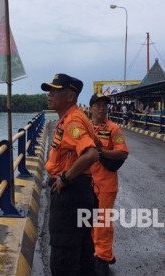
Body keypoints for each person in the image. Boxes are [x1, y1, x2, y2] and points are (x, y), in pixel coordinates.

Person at [42, 73, 99, 276]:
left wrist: (65, 178)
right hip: (81, 192)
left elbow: (91, 153)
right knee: (82, 250)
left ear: (70, 96)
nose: (49, 94)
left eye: (55, 91)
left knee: (63, 254)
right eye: (49, 91)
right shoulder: (70, 119)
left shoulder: (73, 121)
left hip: (71, 196)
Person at [89, 93, 129, 276]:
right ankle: (95, 253)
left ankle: (103, 258)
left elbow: (122, 153)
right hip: (86, 183)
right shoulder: (84, 129)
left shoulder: (114, 130)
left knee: (103, 223)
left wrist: (102, 151)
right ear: (90, 109)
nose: (102, 108)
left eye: (104, 105)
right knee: (87, 221)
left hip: (106, 184)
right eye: (97, 105)